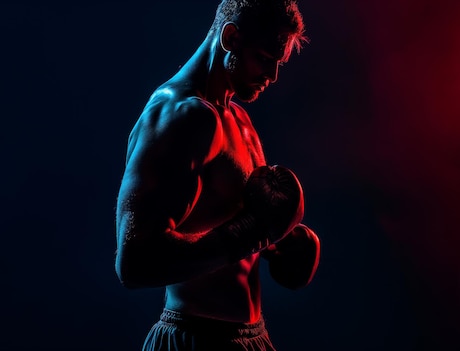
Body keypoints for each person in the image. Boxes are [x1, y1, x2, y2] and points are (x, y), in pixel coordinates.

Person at [115, 1, 320, 350]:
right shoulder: (180, 116)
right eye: (266, 58)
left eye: (279, 63)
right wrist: (252, 233)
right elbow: (135, 263)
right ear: (231, 37)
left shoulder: (239, 120)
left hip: (252, 336)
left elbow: (230, 220)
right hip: (194, 338)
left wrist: (282, 240)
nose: (272, 76)